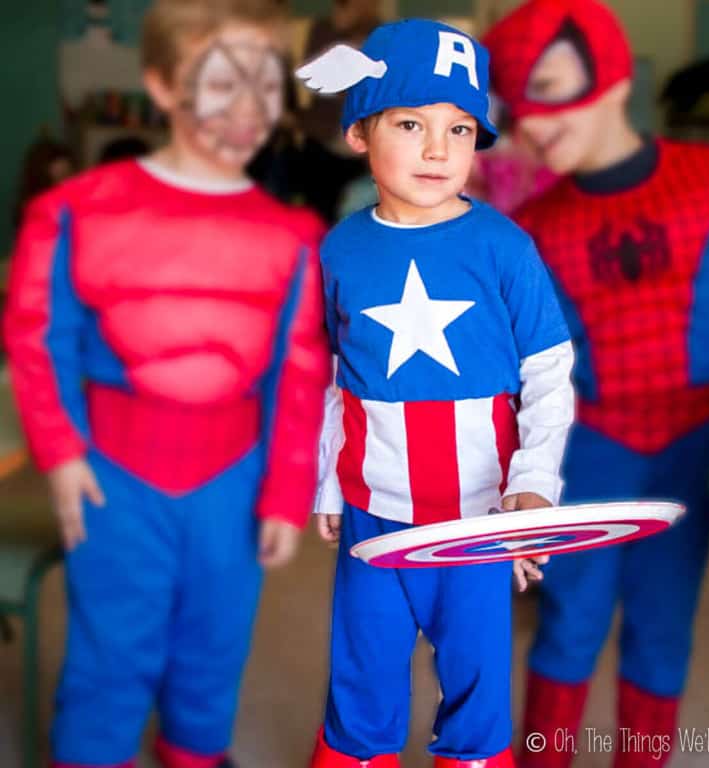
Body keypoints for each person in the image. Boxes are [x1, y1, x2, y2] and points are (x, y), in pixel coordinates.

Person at [2, 1, 329, 767]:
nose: (249, 108)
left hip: (234, 482)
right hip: (113, 478)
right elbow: (37, 335)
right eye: (223, 82)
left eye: (267, 82)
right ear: (161, 82)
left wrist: (286, 491)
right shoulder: (74, 212)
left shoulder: (293, 237)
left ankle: (193, 751)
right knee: (110, 658)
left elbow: (300, 371)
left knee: (214, 650)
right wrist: (61, 454)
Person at [483, 1, 709, 765]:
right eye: (517, 102)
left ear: (609, 75)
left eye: (548, 85)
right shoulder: (536, 224)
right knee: (569, 621)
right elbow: (513, 357)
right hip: (589, 448)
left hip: (695, 443)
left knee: (663, 624)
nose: (533, 122)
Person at [298, 18, 574, 768]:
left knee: (478, 690)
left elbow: (549, 375)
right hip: (372, 515)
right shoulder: (340, 250)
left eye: (459, 129)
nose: (436, 149)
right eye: (411, 122)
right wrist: (327, 477)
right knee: (361, 681)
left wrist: (533, 488)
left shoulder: (504, 248)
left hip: (478, 517)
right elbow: (333, 373)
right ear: (359, 130)